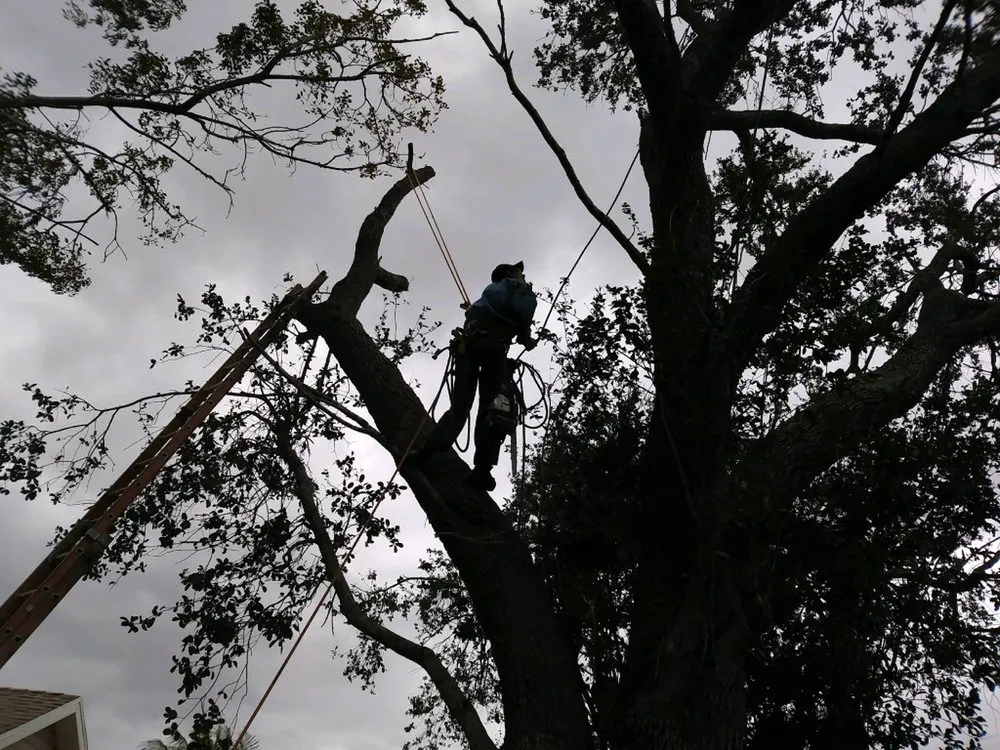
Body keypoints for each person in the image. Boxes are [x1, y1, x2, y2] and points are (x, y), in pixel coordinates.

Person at [408, 260, 538, 490]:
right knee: (490, 409)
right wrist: (527, 339)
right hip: (495, 353)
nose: (522, 274)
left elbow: (479, 315)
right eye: (519, 271)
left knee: (460, 406)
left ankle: (428, 452)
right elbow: (522, 325)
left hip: (470, 349)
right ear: (509, 272)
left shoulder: (492, 294)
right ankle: (483, 470)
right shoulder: (516, 290)